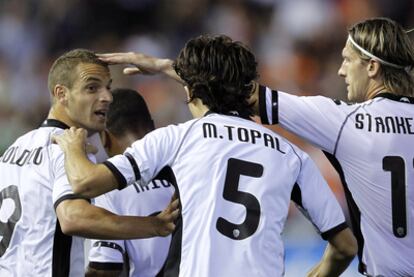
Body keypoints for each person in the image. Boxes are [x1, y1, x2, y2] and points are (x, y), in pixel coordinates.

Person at [97, 18, 414, 276]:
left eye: (347, 60)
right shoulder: (292, 153)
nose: (341, 71)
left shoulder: (342, 120)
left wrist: (169, 68)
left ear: (372, 67)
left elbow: (238, 91)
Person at [54, 35, 357, 277]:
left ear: (188, 92)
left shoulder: (178, 137)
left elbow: (85, 183)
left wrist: (71, 144)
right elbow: (344, 246)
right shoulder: (291, 155)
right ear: (249, 88)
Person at [0, 49, 178, 276]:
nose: (107, 97)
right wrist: (153, 226)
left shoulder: (13, 150)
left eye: (108, 87)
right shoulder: (70, 150)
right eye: (92, 88)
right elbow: (74, 218)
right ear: (61, 94)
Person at [86, 88, 174, 277]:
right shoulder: (183, 170)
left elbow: (105, 269)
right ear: (153, 126)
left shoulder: (107, 189)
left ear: (105, 137)